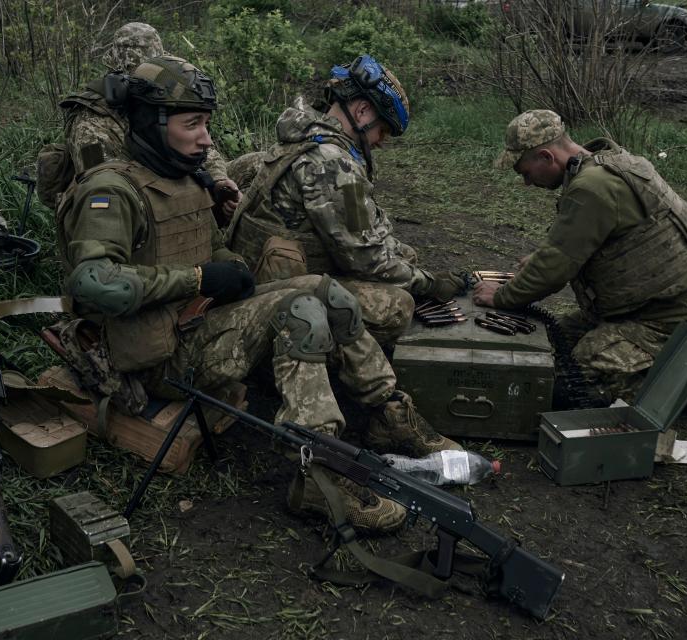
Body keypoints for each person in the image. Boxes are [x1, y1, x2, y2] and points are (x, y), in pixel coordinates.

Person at [54, 56, 460, 534]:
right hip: (156, 355)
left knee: (326, 292)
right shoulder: (111, 191)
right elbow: (93, 284)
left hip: (198, 321)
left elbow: (214, 248)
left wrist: (234, 267)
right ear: (151, 122)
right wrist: (200, 279)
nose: (206, 138)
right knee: (301, 310)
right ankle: (319, 473)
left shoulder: (181, 179)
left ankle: (389, 411)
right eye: (193, 125)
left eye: (206, 123)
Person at [472, 109, 687, 414]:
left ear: (546, 157)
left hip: (659, 319)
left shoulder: (590, 186)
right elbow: (588, 241)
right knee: (553, 344)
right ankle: (667, 363)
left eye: (525, 172)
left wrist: (503, 296)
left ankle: (685, 379)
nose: (527, 183)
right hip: (650, 304)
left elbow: (555, 267)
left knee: (563, 385)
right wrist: (542, 260)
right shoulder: (611, 162)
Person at [225, 55, 466, 346]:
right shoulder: (333, 163)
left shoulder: (304, 133)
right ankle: (311, 349)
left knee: (405, 256)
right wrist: (432, 284)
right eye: (383, 130)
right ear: (363, 111)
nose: (381, 141)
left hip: (263, 272)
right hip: (278, 292)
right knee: (396, 306)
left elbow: (365, 233)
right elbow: (367, 261)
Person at [60, 22, 240, 222]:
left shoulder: (161, 103)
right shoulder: (91, 119)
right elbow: (103, 186)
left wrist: (218, 181)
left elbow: (204, 149)